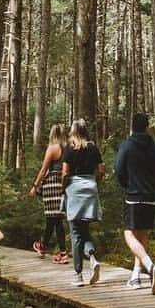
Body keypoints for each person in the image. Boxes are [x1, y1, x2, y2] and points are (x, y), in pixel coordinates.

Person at [114, 112, 155, 293]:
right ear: (147, 127)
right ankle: (135, 276)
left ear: (132, 126)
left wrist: (126, 185)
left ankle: (149, 265)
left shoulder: (127, 146)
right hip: (152, 198)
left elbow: (119, 169)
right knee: (143, 236)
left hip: (133, 197)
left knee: (129, 235)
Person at [61, 117, 104, 286]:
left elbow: (65, 173)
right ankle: (92, 257)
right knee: (84, 228)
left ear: (73, 131)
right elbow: (101, 170)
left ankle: (78, 275)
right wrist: (95, 183)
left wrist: (63, 187)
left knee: (75, 233)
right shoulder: (93, 148)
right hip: (90, 189)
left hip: (74, 189)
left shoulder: (69, 148)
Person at [28, 122, 69, 263]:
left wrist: (35, 186)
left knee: (55, 219)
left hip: (51, 184)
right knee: (55, 218)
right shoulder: (67, 148)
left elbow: (44, 169)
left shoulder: (52, 148)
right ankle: (43, 246)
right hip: (63, 185)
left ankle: (62, 251)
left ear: (52, 135)